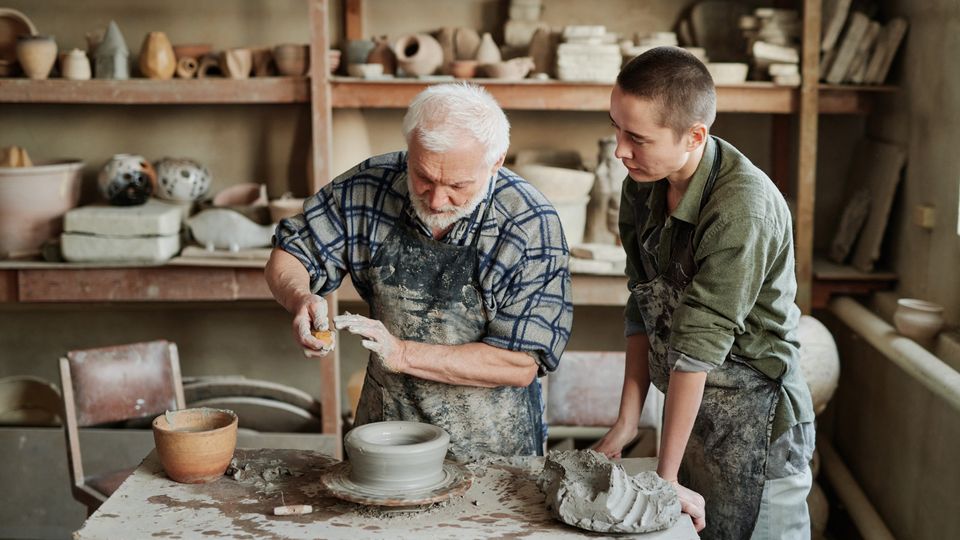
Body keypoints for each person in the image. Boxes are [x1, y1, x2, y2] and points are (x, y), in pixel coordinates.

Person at [265, 82, 573, 463]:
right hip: (385, 434)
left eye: (457, 185)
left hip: (495, 450)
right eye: (423, 177)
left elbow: (519, 363)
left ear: (496, 162)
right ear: (409, 148)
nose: (437, 200)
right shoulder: (368, 187)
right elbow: (291, 252)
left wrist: (402, 353)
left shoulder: (528, 224)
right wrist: (300, 297)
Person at [594, 47, 816, 539]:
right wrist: (628, 422)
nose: (620, 150)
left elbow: (697, 349)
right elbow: (644, 301)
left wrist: (665, 478)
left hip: (756, 415)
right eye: (616, 127)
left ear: (695, 136)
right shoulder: (642, 182)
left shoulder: (742, 208)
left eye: (636, 137)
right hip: (692, 409)